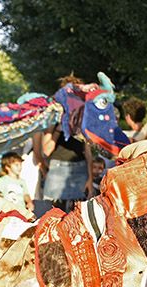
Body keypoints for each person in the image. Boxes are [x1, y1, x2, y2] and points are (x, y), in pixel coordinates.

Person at [34, 75, 94, 214]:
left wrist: (90, 179)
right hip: (57, 170)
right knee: (54, 217)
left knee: (77, 219)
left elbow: (88, 152)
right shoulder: (54, 119)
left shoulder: (84, 120)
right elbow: (46, 150)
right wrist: (59, 129)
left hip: (80, 169)